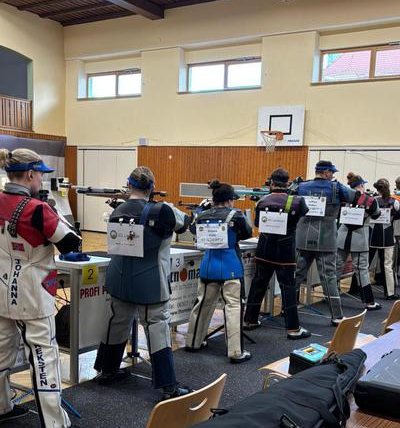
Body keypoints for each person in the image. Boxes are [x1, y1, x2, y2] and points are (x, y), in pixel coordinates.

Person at [0, 148, 90, 428]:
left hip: (2, 290)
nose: (41, 180)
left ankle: (2, 406)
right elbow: (71, 243)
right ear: (30, 174)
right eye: (40, 174)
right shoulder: (37, 209)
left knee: (1, 353)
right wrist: (51, 209)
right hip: (34, 294)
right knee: (43, 358)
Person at [94, 166, 191, 400]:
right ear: (152, 187)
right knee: (157, 327)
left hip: (119, 278)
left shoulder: (118, 209)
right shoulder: (164, 210)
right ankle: (168, 385)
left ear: (129, 185)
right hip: (150, 281)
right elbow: (186, 223)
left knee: (117, 322)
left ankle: (106, 370)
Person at [185, 180, 253, 362]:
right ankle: (236, 352)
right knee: (233, 307)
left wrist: (200, 210)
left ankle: (192, 342)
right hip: (231, 267)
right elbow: (247, 233)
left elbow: (192, 229)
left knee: (202, 305)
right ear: (229, 200)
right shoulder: (236, 215)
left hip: (208, 267)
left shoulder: (201, 215)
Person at [244, 168, 310, 339]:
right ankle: (293, 329)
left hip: (264, 249)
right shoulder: (298, 201)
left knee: (258, 284)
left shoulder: (262, 201)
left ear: (271, 183)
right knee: (288, 288)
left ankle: (250, 320)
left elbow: (257, 223)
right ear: (287, 183)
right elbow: (302, 214)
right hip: (285, 251)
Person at [296, 160, 356, 325]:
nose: (333, 175)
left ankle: (288, 311)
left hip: (302, 237)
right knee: (329, 277)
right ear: (326, 172)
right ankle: (336, 316)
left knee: (296, 275)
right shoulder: (337, 188)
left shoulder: (301, 186)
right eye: (332, 172)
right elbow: (355, 196)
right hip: (326, 238)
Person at [336, 173, 381, 310]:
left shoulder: (343, 198)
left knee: (336, 267)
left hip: (342, 236)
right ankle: (368, 302)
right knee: (361, 270)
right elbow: (376, 214)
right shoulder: (370, 200)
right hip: (360, 237)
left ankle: (331, 296)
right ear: (361, 185)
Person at [369, 178, 400, 300]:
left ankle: (357, 288)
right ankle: (390, 293)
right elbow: (399, 215)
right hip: (387, 236)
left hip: (372, 236)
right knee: (387, 265)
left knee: (364, 264)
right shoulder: (394, 201)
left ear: (377, 189)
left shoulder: (372, 200)